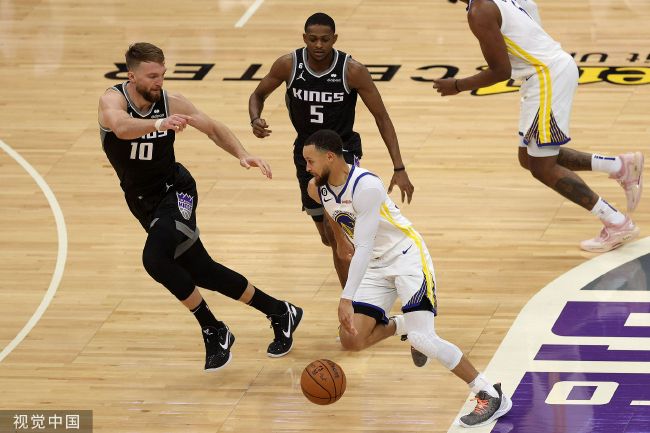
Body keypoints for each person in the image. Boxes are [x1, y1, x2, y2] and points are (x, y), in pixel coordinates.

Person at [98, 42, 303, 372]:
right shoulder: (112, 101)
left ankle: (213, 328)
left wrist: (242, 154)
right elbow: (120, 128)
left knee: (154, 259)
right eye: (151, 76)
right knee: (201, 270)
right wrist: (158, 125)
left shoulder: (171, 101)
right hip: (142, 202)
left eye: (162, 75)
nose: (158, 82)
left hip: (176, 191)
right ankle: (281, 311)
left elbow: (212, 126)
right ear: (131, 75)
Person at [303, 129, 511, 428]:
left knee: (423, 337)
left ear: (330, 157)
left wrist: (346, 297)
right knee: (351, 339)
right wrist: (339, 241)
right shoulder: (317, 187)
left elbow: (363, 244)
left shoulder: (366, 186)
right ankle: (402, 323)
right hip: (374, 266)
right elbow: (336, 217)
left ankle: (489, 394)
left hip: (406, 258)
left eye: (310, 161)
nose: (307, 168)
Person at [435, 0, 643, 252]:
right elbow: (531, 6)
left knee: (542, 168)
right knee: (529, 158)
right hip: (545, 73)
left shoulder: (480, 11)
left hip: (546, 77)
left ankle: (616, 222)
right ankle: (620, 166)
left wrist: (457, 86)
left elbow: (500, 71)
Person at [249, 12, 414, 287]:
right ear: (304, 38)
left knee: (334, 227)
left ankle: (353, 301)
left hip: (341, 153)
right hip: (306, 154)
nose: (318, 45)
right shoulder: (288, 64)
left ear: (334, 39)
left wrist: (399, 167)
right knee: (328, 236)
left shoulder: (352, 70)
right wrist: (255, 118)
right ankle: (364, 266)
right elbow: (258, 94)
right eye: (312, 39)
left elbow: (382, 116)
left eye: (325, 39)